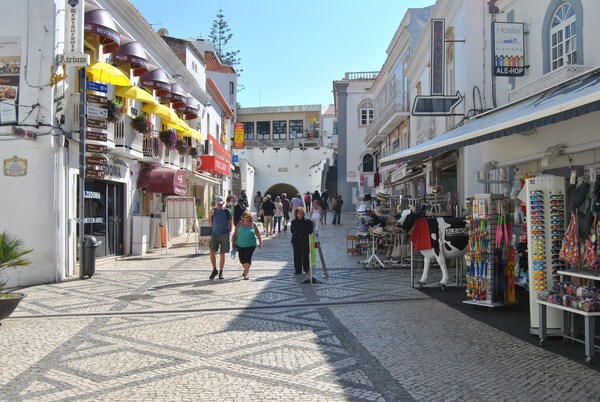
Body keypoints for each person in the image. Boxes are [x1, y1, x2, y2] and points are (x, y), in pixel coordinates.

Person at [231, 211, 262, 280]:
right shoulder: (239, 224)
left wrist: (260, 243)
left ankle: (246, 273)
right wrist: (233, 242)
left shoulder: (253, 224)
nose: (247, 219)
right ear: (243, 218)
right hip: (240, 244)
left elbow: (258, 234)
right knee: (242, 259)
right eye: (246, 217)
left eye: (248, 217)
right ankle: (245, 270)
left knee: (247, 258)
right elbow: (235, 233)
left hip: (251, 245)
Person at [208, 196, 233, 280]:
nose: (219, 205)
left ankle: (221, 271)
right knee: (211, 252)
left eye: (221, 204)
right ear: (216, 203)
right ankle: (214, 269)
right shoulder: (213, 211)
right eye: (218, 204)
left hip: (224, 234)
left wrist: (229, 231)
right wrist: (210, 216)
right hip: (214, 234)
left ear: (223, 203)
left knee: (222, 254)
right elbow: (210, 223)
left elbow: (230, 221)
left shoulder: (227, 211)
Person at [290, 207, 313, 275]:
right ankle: (298, 270)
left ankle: (306, 269)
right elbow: (292, 231)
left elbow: (310, 231)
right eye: (298, 213)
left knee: (305, 255)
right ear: (296, 214)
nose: (300, 215)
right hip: (296, 241)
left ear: (303, 214)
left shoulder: (308, 222)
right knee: (296, 255)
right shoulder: (293, 222)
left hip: (304, 240)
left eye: (301, 213)